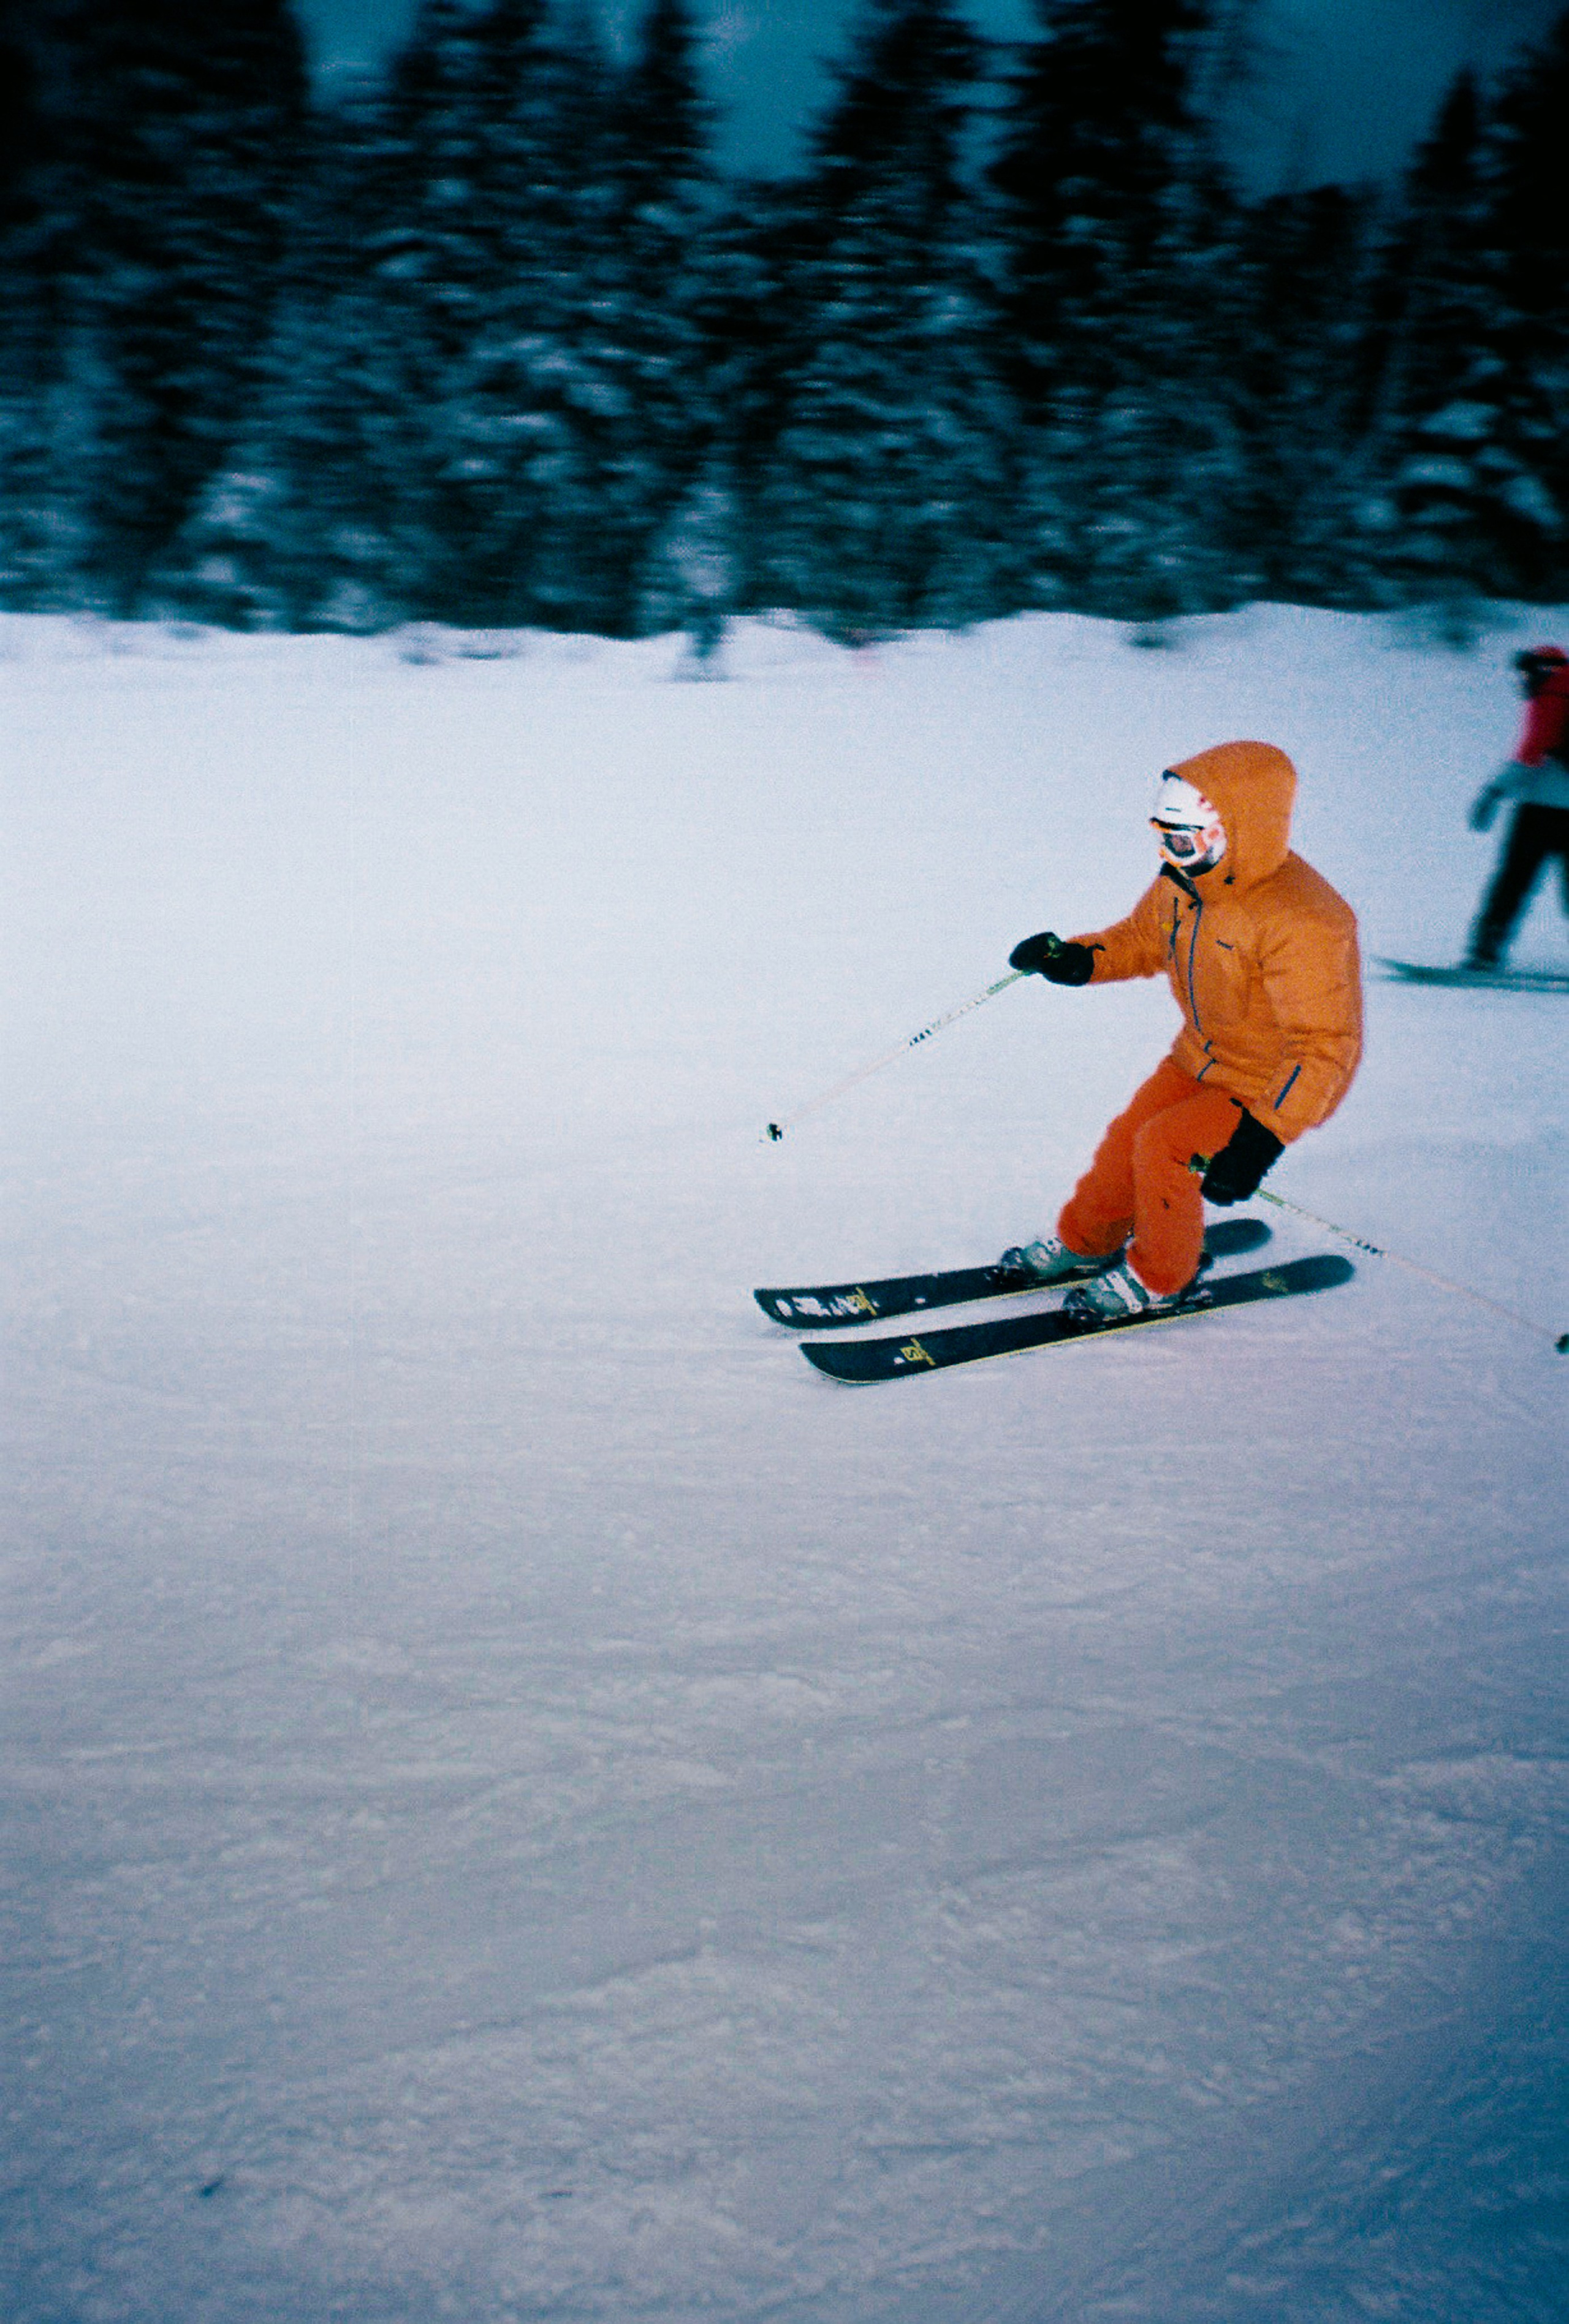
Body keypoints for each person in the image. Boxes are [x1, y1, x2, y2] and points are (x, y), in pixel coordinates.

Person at [998, 741, 1362, 1322]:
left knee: (1165, 1146)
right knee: (1128, 1139)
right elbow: (1142, 939)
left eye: (1182, 840)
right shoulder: (1185, 882)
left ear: (1236, 832)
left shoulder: (1304, 920)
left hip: (1265, 1086)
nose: (1169, 853)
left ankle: (1165, 1275)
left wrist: (1263, 1137)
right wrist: (1078, 959)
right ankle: (1087, 1242)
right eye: (1163, 835)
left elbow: (1325, 1047)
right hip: (1197, 1059)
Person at [1465, 644, 1569, 971]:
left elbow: (1531, 753)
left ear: (1543, 669)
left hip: (1541, 810)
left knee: (1513, 883)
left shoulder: (1552, 693)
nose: (1524, 680)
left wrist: (1493, 792)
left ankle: (1484, 953)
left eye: (1526, 673)